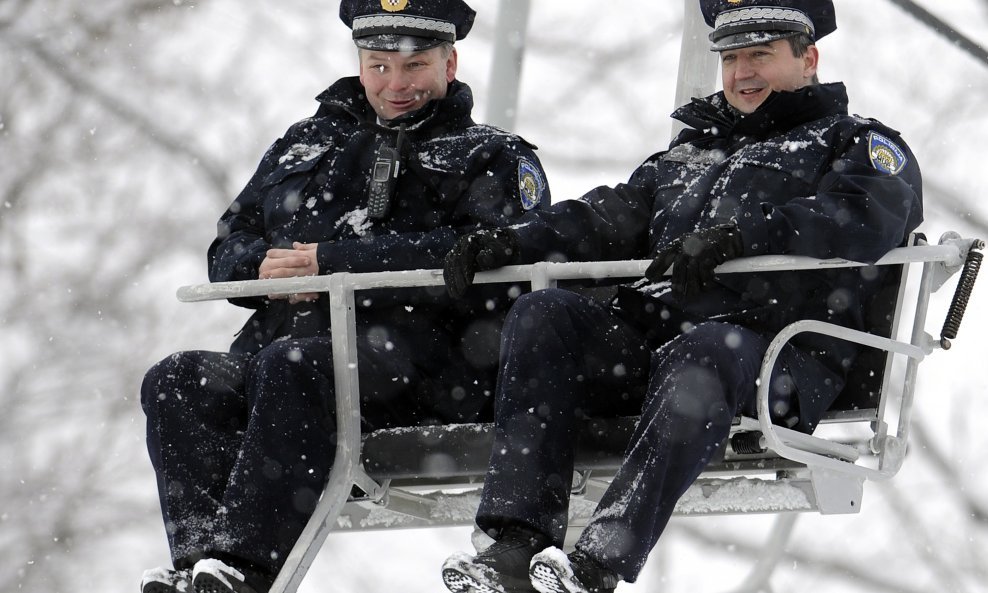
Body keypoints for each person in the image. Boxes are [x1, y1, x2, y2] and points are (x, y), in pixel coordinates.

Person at [439, 1, 923, 592]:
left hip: (772, 358)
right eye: (732, 58)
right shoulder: (687, 155)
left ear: (808, 58)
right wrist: (509, 242)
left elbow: (863, 217)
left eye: (761, 56)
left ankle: (596, 562)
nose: (743, 73)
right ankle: (516, 541)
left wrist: (744, 236)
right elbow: (603, 217)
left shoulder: (854, 146)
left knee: (704, 353)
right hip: (658, 349)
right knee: (545, 314)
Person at [138, 0, 550, 592]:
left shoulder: (492, 155)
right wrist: (262, 263)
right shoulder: (302, 145)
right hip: (281, 353)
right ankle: (199, 567)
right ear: (360, 63)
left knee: (295, 366)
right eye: (379, 65)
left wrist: (336, 263)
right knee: (176, 378)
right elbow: (228, 245)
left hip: (417, 367)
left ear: (449, 62)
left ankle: (246, 572)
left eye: (413, 67)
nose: (395, 84)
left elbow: (498, 254)